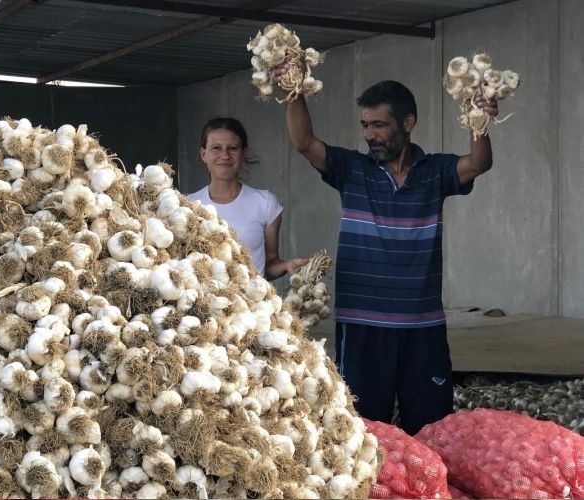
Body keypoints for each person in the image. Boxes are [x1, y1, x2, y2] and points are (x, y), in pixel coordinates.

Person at [278, 76, 498, 435]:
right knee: (363, 430)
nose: (370, 135)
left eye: (379, 125)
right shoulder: (351, 169)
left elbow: (478, 163)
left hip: (421, 326)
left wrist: (479, 121)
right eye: (365, 125)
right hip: (362, 326)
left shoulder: (435, 171)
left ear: (407, 122)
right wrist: (294, 88)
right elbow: (303, 142)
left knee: (432, 429)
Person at [188, 117, 307, 280]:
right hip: (204, 296)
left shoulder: (265, 203)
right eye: (216, 148)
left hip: (251, 296)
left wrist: (286, 265)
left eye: (233, 148)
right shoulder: (189, 206)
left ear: (244, 154)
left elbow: (269, 265)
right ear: (204, 154)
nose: (225, 155)